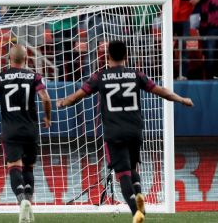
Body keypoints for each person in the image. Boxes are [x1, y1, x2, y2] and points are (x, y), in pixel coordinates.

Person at [56, 40, 194, 223]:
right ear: (126, 55)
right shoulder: (136, 74)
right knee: (132, 167)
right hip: (134, 130)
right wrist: (182, 99)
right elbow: (161, 91)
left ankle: (135, 211)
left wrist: (62, 102)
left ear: (107, 56)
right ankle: (139, 195)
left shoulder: (100, 76)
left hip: (114, 132)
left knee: (122, 174)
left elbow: (78, 95)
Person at [0, 44, 52, 223]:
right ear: (27, 59)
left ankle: (21, 200)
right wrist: (48, 118)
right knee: (28, 168)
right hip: (30, 130)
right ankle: (28, 202)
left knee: (14, 167)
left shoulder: (0, 77)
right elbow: (45, 98)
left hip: (10, 130)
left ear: (9, 59)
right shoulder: (34, 76)